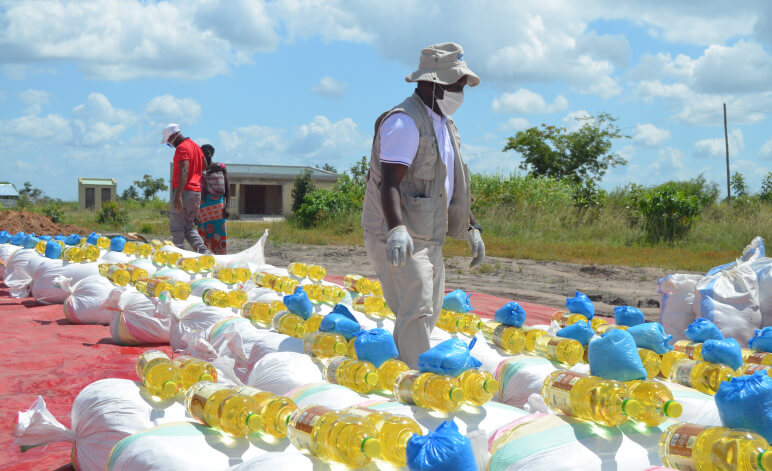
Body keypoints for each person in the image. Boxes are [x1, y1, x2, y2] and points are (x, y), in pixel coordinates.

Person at [361, 42, 485, 368]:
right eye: (456, 85)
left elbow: (450, 183)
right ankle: (419, 382)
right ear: (431, 83)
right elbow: (389, 183)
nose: (460, 92)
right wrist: (397, 229)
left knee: (429, 309)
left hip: (429, 235)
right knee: (416, 310)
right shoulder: (404, 123)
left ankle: (411, 368)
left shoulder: (444, 124)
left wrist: (472, 226)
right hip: (400, 234)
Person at [161, 123, 211, 254]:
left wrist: (178, 196)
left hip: (183, 192)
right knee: (189, 227)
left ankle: (178, 257)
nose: (170, 145)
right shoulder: (195, 145)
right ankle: (205, 254)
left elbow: (184, 170)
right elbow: (205, 165)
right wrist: (195, 175)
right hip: (195, 192)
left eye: (168, 142)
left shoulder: (181, 148)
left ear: (173, 136)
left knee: (177, 229)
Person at [197, 144, 230, 254]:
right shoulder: (198, 169)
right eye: (202, 153)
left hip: (217, 206)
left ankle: (220, 259)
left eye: (207, 153)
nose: (205, 155)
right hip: (202, 208)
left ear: (211, 154)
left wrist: (227, 206)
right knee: (202, 236)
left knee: (219, 235)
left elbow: (227, 187)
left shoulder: (220, 167)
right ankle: (205, 260)